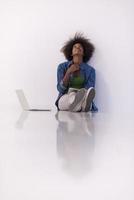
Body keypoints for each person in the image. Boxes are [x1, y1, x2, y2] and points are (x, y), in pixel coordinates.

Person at [55, 32, 98, 112]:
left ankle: (80, 104)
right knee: (70, 97)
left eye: (80, 47)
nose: (77, 48)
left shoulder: (91, 70)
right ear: (71, 53)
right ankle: (80, 105)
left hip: (83, 97)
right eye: (75, 47)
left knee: (84, 97)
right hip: (66, 98)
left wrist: (81, 95)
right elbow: (60, 89)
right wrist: (68, 72)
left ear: (84, 52)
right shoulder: (62, 67)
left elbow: (89, 90)